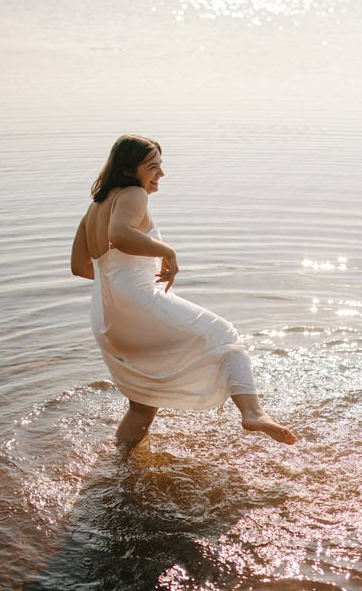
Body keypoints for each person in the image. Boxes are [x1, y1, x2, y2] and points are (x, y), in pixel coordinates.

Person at [70, 134, 297, 448]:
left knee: (142, 403)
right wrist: (167, 252)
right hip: (134, 302)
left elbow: (80, 267)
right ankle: (254, 414)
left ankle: (119, 466)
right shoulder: (134, 193)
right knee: (224, 335)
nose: (160, 174)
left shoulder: (94, 208)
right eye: (152, 167)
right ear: (129, 169)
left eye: (160, 166)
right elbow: (120, 235)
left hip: (104, 316)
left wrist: (118, 282)